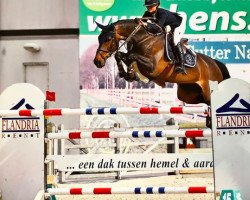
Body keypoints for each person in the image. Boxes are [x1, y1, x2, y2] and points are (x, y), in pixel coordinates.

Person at [139, 0, 186, 74]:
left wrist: (146, 24)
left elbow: (157, 28)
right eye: (148, 6)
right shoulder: (147, 13)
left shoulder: (161, 13)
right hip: (167, 25)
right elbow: (142, 23)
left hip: (178, 25)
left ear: (157, 5)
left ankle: (182, 65)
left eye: (151, 6)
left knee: (175, 40)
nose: (149, 8)